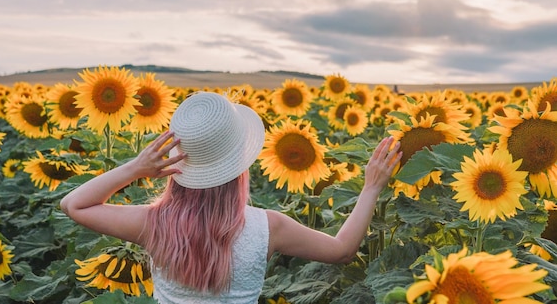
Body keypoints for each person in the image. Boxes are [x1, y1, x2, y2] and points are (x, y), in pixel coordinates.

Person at [60, 91, 402, 304]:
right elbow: (342, 251)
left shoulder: (152, 223)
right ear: (241, 164)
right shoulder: (269, 227)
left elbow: (74, 204)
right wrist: (371, 186)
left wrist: (135, 168)